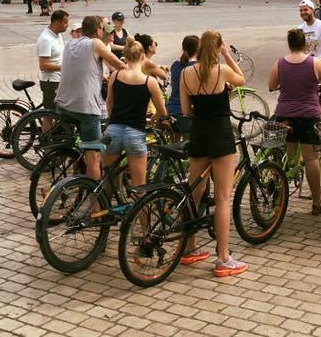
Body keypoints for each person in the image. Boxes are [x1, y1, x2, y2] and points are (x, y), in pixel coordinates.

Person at [180, 30, 247, 277]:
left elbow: (187, 110)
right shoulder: (222, 71)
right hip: (220, 135)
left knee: (193, 193)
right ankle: (223, 258)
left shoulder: (187, 72)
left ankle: (189, 247)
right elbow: (242, 79)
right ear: (217, 47)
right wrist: (227, 55)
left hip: (198, 134)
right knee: (222, 198)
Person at [268, 28, 321, 215]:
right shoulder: (315, 63)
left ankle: (280, 189)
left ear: (289, 43)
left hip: (284, 115)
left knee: (286, 155)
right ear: (305, 44)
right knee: (311, 158)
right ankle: (317, 203)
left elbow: (271, 86)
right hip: (308, 116)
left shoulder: (279, 63)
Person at [55, 15, 124, 180]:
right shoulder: (96, 43)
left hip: (63, 105)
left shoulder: (71, 43)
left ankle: (79, 180)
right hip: (85, 109)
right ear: (98, 30)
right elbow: (119, 65)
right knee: (94, 156)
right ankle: (95, 203)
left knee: (84, 147)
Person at [104, 37, 167, 189]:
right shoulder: (149, 82)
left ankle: (103, 210)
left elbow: (109, 103)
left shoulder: (115, 75)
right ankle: (139, 212)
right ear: (142, 56)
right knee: (139, 186)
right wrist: (153, 119)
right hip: (135, 132)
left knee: (108, 179)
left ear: (125, 56)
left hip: (113, 130)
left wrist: (114, 118)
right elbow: (162, 111)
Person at [36, 9, 69, 111]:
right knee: (49, 114)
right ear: (57, 23)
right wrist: (65, 67)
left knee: (58, 113)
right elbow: (43, 65)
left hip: (58, 79)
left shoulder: (57, 34)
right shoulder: (46, 39)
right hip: (51, 82)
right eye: (65, 22)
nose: (67, 25)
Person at [166, 35, 200, 135]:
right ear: (198, 49)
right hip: (184, 113)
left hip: (170, 110)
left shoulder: (175, 64)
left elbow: (173, 85)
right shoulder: (196, 67)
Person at [298, 0, 321, 64]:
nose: (303, 12)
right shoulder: (300, 28)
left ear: (312, 10)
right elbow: (297, 50)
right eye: (301, 10)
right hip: (305, 63)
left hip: (320, 62)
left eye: (305, 9)